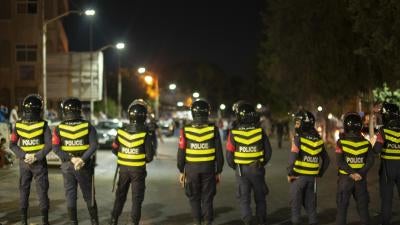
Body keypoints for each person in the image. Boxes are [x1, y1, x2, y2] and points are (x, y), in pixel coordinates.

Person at [52, 97, 99, 225]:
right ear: (80, 110)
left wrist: (71, 159)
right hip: (84, 166)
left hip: (67, 166)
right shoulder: (88, 126)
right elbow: (94, 145)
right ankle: (94, 222)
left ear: (64, 111)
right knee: (89, 195)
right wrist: (82, 160)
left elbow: (55, 148)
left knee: (70, 195)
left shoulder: (58, 128)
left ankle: (73, 222)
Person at [109, 99, 156, 225]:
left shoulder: (121, 131)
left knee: (120, 196)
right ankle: (134, 222)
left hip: (123, 170)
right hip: (138, 171)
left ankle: (113, 220)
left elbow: (114, 149)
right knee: (137, 199)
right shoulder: (145, 134)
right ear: (144, 116)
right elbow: (150, 156)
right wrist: (139, 158)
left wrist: (125, 155)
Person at [177, 99, 224, 225]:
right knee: (207, 198)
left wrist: (181, 170)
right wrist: (218, 170)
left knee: (193, 197)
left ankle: (197, 221)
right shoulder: (213, 130)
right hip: (209, 169)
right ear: (207, 113)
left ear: (193, 112)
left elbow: (181, 152)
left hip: (191, 170)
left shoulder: (185, 130)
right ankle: (208, 221)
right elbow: (219, 152)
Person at [226, 102, 272, 225]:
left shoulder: (233, 133)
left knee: (244, 198)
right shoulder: (260, 132)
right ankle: (261, 220)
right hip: (257, 169)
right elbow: (268, 152)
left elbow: (229, 155)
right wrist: (261, 163)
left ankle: (247, 220)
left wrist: (235, 166)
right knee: (260, 198)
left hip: (241, 170)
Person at [9, 94, 52, 225]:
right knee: (42, 192)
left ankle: (23, 221)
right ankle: (45, 222)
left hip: (24, 163)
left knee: (23, 191)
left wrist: (24, 155)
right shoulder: (43, 125)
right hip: (39, 163)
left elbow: (12, 144)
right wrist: (36, 156)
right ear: (39, 109)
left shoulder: (18, 125)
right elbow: (49, 144)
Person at [287, 111, 330, 225]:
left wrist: (290, 173)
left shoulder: (298, 139)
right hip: (312, 179)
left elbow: (292, 158)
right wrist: (320, 173)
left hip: (298, 177)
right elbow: (327, 160)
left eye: (297, 123)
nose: (296, 125)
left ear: (303, 124)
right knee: (311, 206)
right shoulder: (318, 140)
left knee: (295, 206)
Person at [335, 112, 374, 225]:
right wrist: (360, 173)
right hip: (360, 180)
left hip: (345, 180)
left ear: (346, 126)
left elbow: (339, 162)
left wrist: (351, 173)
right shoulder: (366, 144)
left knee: (342, 209)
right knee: (363, 209)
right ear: (360, 126)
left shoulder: (341, 142)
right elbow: (370, 161)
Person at [373, 102, 400, 225]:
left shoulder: (383, 131)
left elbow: (376, 150)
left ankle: (385, 221)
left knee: (387, 198)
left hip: (387, 169)